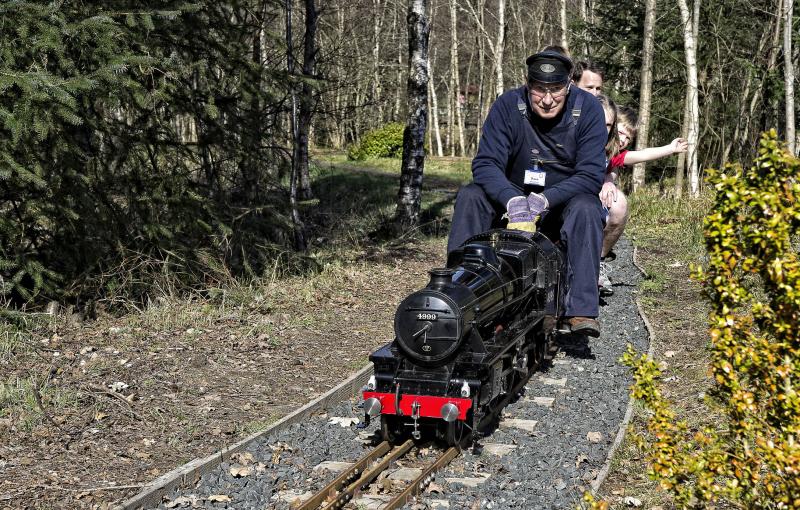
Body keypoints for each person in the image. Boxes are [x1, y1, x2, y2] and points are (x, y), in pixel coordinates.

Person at [447, 49, 608, 337]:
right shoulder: (508, 105)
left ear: (569, 86)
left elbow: (591, 175)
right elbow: (486, 163)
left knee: (587, 207)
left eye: (556, 90)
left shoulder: (589, 110)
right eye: (539, 90)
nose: (547, 100)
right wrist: (512, 199)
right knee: (471, 195)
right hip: (511, 204)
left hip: (561, 204)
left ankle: (581, 309)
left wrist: (545, 200)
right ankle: (457, 289)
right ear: (527, 84)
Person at [596, 104, 688, 296]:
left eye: (628, 138)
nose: (623, 140)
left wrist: (670, 149)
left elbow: (642, 155)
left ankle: (598, 262)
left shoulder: (615, 155)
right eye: (621, 132)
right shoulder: (591, 142)